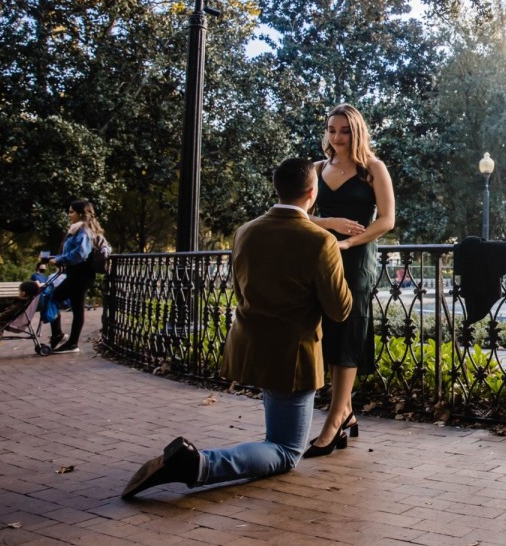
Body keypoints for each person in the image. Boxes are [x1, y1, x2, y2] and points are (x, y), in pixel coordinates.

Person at [122, 158, 353, 499]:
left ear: (278, 188)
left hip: (251, 344)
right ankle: (200, 465)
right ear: (312, 192)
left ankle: (200, 463)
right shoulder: (320, 241)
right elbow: (339, 310)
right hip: (294, 353)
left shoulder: (246, 230)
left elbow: (241, 289)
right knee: (287, 450)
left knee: (278, 430)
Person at [306, 103, 395, 457]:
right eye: (331, 130)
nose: (337, 137)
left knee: (348, 335)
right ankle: (348, 414)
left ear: (356, 131)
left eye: (344, 130)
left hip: (357, 261)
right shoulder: (315, 168)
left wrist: (349, 240)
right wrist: (330, 225)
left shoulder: (373, 169)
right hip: (322, 258)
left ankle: (333, 420)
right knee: (325, 335)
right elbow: (299, 215)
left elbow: (387, 220)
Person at [47, 199, 103, 353]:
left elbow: (81, 253)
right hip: (79, 275)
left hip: (80, 275)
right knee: (77, 308)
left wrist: (59, 260)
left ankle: (61, 337)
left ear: (80, 213)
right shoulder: (79, 229)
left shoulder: (83, 230)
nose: (69, 215)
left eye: (71, 212)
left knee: (54, 298)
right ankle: (70, 342)